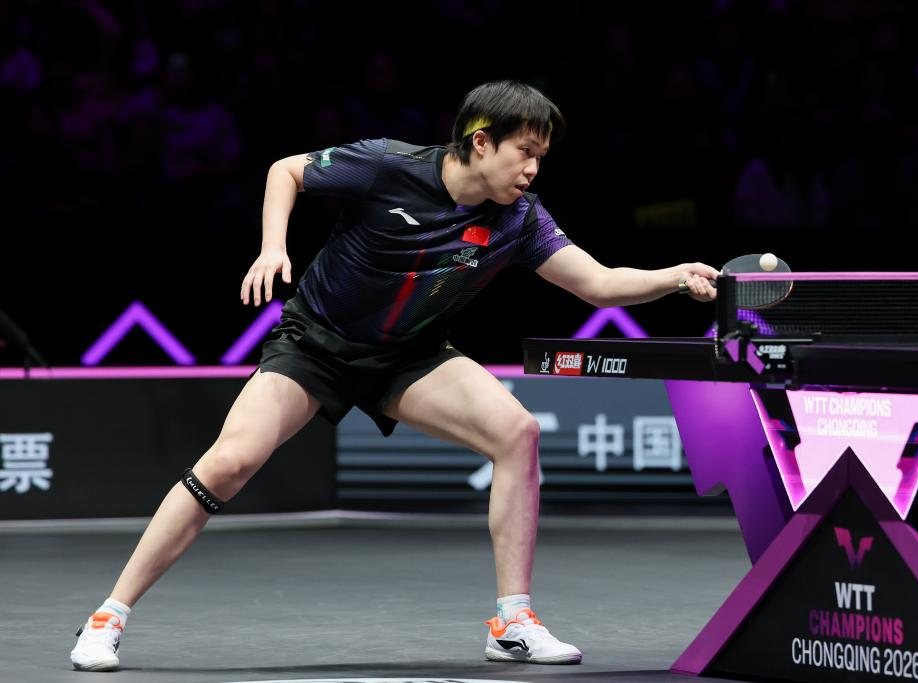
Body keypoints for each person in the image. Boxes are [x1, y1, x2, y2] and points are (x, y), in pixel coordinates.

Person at [69, 80, 719, 671]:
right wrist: (273, 247)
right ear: (481, 141)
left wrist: (673, 276)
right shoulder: (386, 165)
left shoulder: (519, 217)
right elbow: (285, 170)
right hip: (316, 345)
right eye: (525, 152)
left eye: (541, 157)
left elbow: (598, 283)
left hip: (410, 355)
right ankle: (108, 617)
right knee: (230, 462)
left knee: (516, 432)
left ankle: (513, 621)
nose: (532, 169)